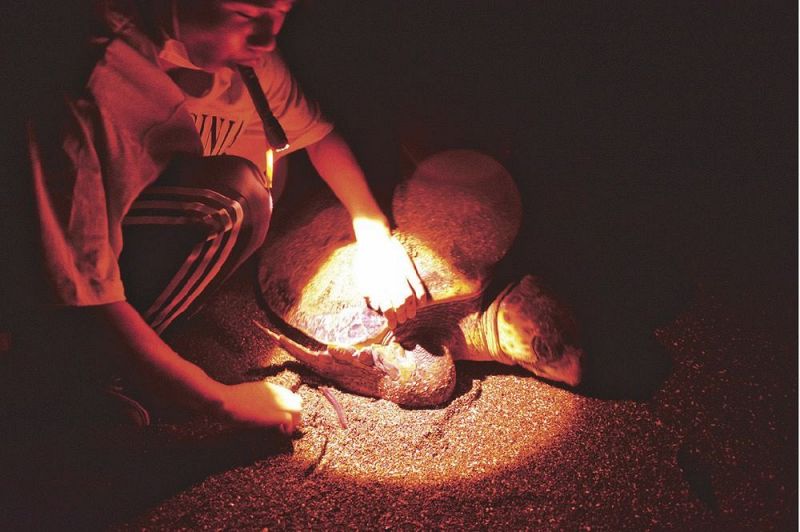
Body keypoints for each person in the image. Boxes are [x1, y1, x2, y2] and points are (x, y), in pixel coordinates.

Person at [12, 0, 425, 433]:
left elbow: (319, 137)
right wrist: (218, 400)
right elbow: (80, 285)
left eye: (282, 13)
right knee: (230, 202)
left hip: (123, 230)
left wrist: (373, 230)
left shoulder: (246, 62)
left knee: (254, 192)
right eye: (245, 14)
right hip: (36, 273)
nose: (267, 38)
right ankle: (65, 377)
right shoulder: (89, 82)